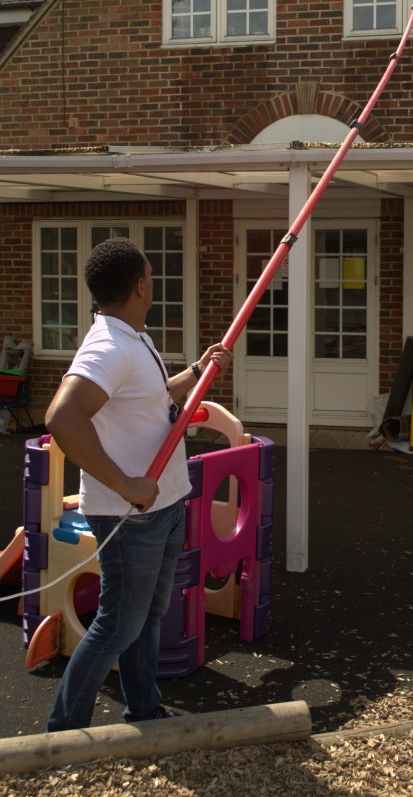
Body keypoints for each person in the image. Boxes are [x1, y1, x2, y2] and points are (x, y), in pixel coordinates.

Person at [45, 237, 232, 731]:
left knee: (147, 618)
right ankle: (62, 734)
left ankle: (144, 710)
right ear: (140, 285)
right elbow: (63, 418)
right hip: (132, 515)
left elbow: (149, 400)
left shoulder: (133, 336)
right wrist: (126, 484)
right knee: (116, 625)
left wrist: (196, 370)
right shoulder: (109, 347)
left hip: (163, 504)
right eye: (151, 274)